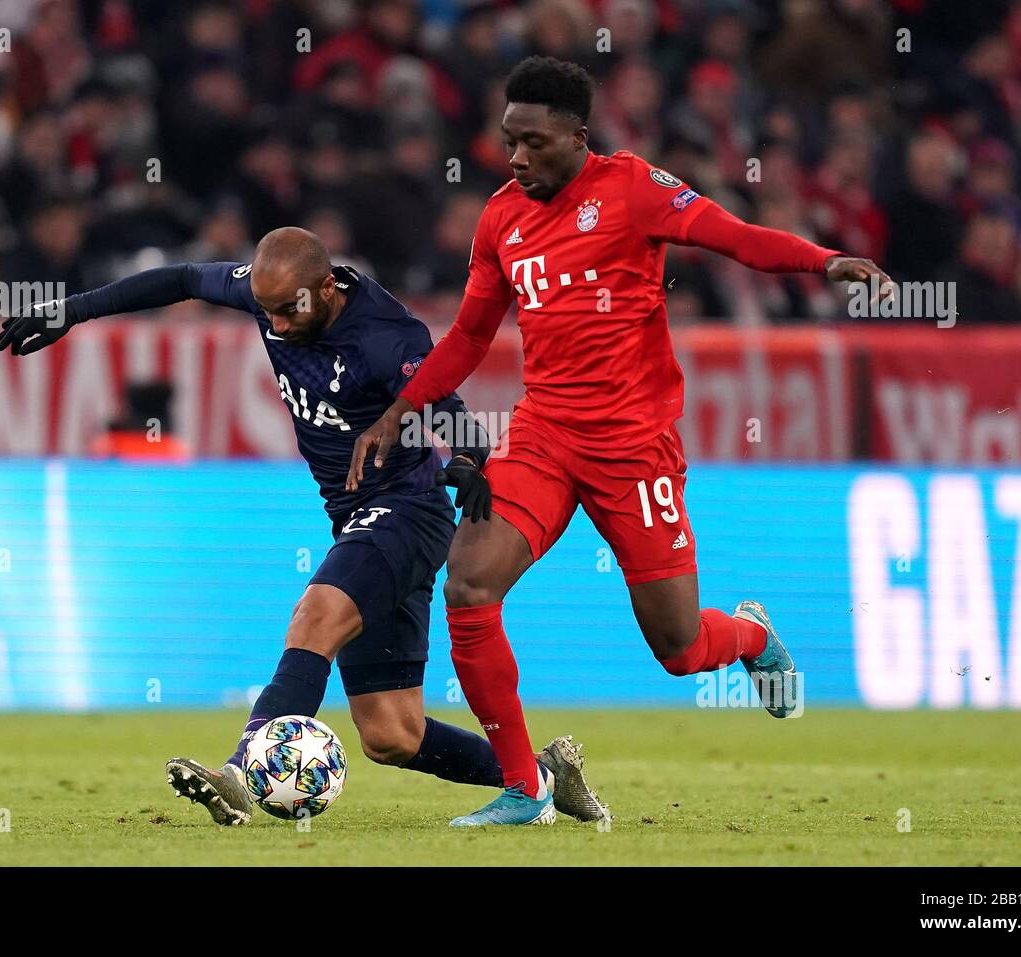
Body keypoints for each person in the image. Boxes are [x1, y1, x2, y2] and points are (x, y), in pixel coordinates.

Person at [349, 57, 897, 827]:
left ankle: (749, 635)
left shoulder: (634, 188)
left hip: (634, 448)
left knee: (676, 647)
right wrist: (401, 410)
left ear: (578, 136)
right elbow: (471, 334)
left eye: (534, 142)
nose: (516, 158)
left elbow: (733, 237)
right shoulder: (502, 217)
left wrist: (823, 260)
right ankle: (522, 787)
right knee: (469, 585)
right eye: (509, 140)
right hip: (542, 435)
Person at [0, 226, 606, 826]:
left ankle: (238, 773)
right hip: (355, 519)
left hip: (407, 510)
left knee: (315, 616)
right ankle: (544, 776)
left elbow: (449, 407)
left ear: (327, 287)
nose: (277, 326)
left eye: (289, 311)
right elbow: (182, 279)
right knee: (391, 734)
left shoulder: (385, 338)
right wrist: (71, 310)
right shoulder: (274, 295)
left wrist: (469, 459)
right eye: (267, 313)